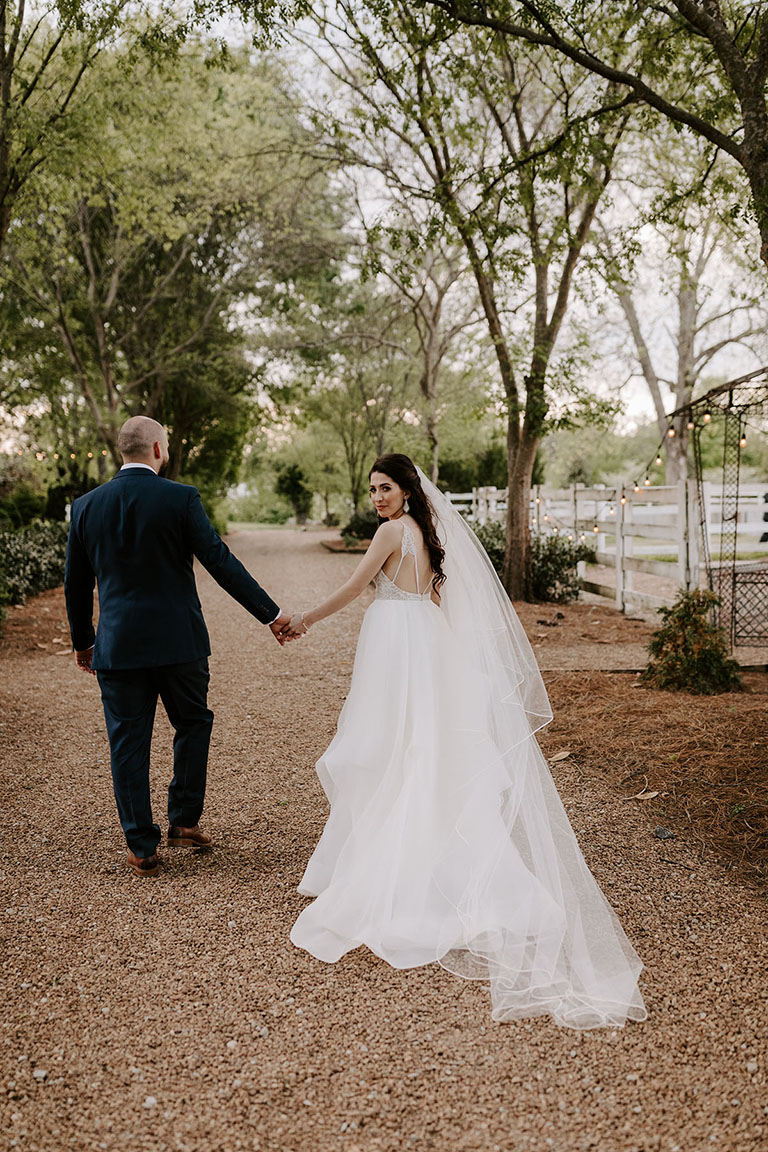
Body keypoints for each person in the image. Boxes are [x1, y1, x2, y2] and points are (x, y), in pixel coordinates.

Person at [286, 453, 646, 1029]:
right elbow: (436, 600)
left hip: (396, 643)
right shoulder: (429, 534)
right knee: (419, 749)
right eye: (373, 489)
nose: (378, 497)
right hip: (422, 640)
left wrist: (301, 619)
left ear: (406, 489)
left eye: (386, 488)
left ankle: (392, 869)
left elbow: (356, 588)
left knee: (391, 749)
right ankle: (412, 853)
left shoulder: (389, 533)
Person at [64, 416, 292, 877]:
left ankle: (142, 846)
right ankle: (183, 819)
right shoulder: (180, 497)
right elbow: (219, 561)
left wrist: (84, 643)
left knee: (127, 742)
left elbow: (75, 584)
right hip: (180, 643)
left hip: (118, 647)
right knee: (193, 724)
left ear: (121, 452)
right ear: (158, 450)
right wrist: (271, 614)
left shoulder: (85, 506)